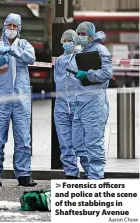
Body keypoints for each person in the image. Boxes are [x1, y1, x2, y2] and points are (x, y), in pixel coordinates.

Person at [0, 13, 37, 187]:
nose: (11, 29)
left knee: (23, 139)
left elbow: (31, 58)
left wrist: (12, 50)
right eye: (9, 25)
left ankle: (24, 174)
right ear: (3, 26)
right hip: (1, 100)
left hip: (21, 100)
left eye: (15, 26)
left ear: (19, 29)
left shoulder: (24, 45)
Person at [73, 21, 113, 179]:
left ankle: (96, 177)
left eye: (84, 34)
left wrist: (88, 74)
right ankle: (90, 172)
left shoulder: (101, 50)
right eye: (79, 34)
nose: (81, 37)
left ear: (91, 35)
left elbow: (107, 73)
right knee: (77, 143)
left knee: (93, 142)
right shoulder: (81, 51)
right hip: (81, 102)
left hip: (95, 102)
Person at [54, 29, 89, 179]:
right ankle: (70, 172)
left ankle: (90, 172)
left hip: (77, 104)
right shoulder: (59, 61)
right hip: (61, 105)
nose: (67, 43)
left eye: (70, 41)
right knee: (65, 142)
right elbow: (58, 82)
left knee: (81, 142)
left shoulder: (81, 57)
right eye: (65, 41)